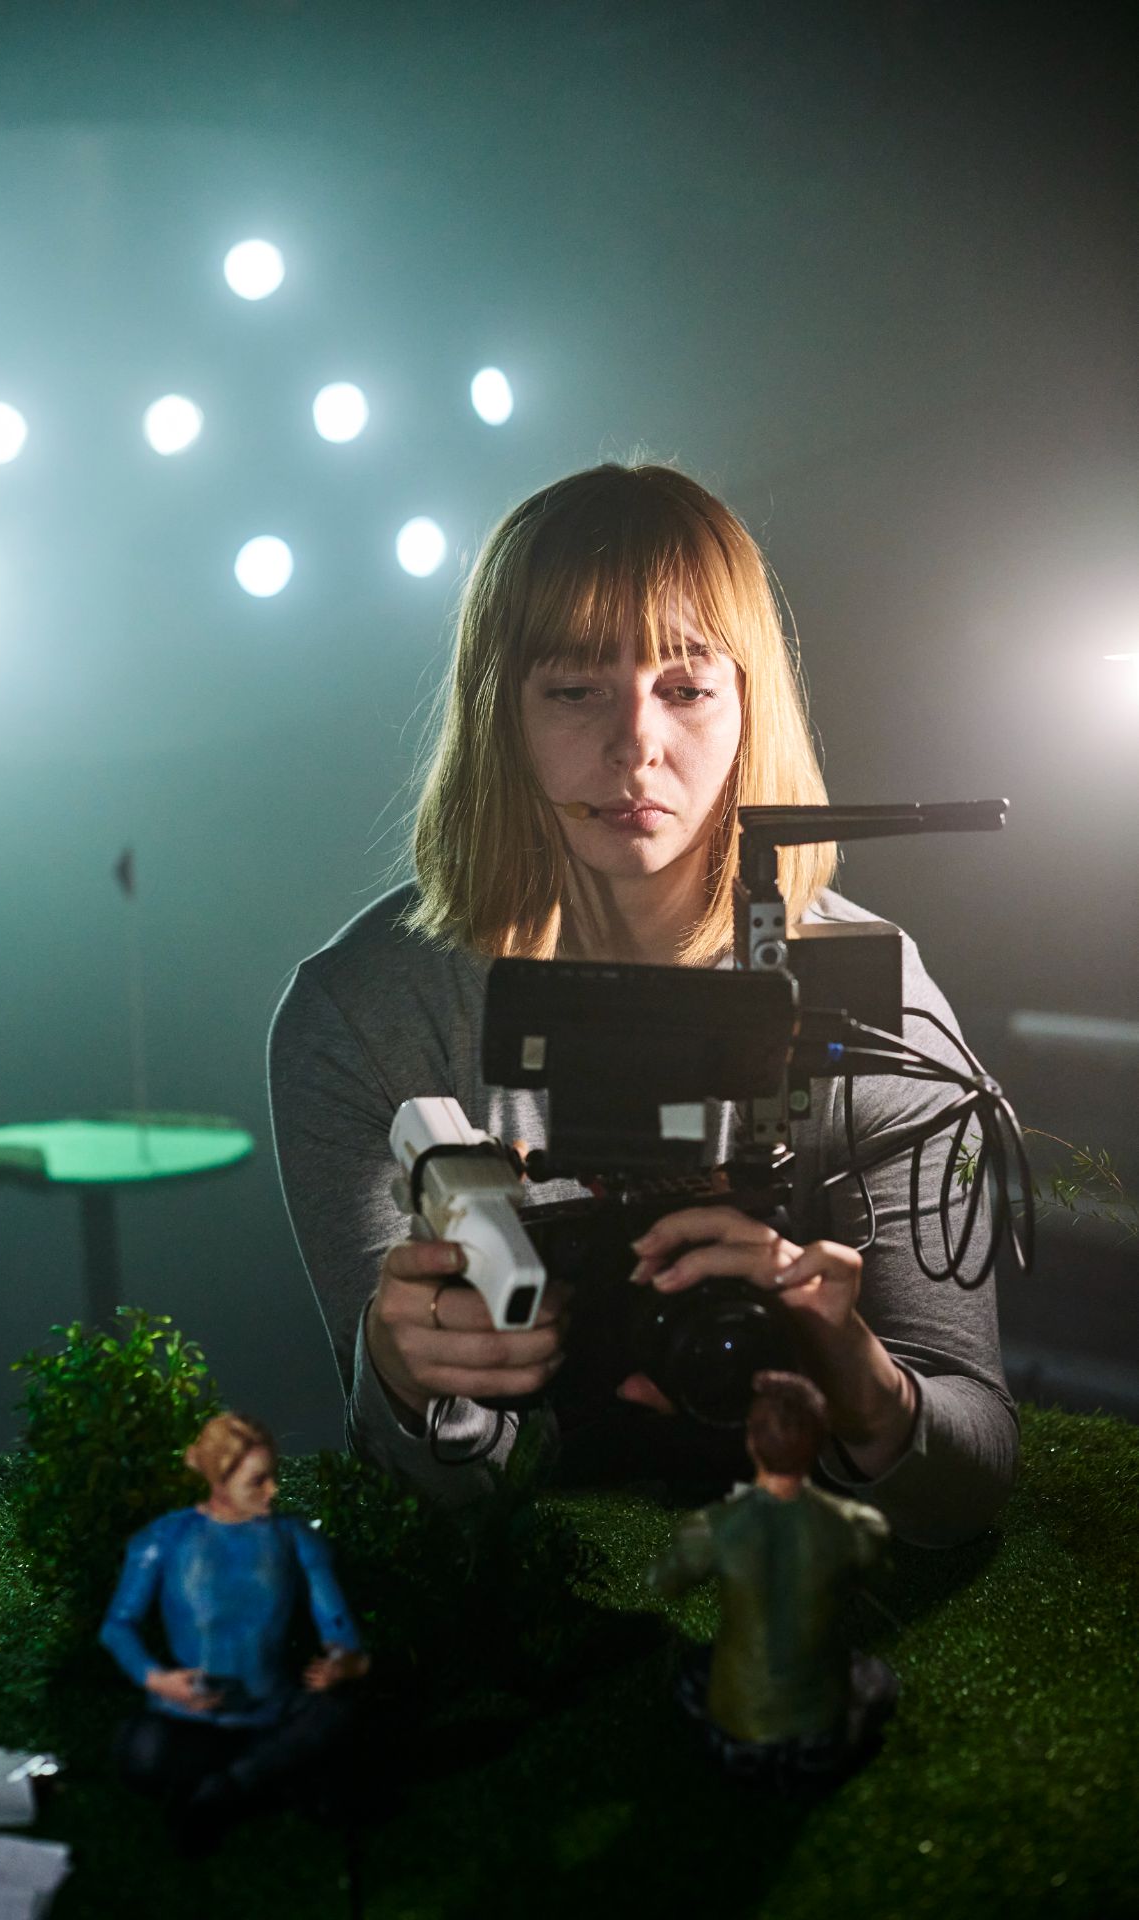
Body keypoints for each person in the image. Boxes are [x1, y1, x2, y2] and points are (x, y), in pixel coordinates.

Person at [268, 461, 1018, 1546]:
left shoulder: (872, 997)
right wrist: (404, 1378)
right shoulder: (366, 1018)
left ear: (749, 702)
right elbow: (420, 1505)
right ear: (498, 713)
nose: (635, 746)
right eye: (574, 690)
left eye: (686, 687)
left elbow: (968, 1467)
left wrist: (858, 1382)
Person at [100, 1412, 370, 1848]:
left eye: (273, 1476)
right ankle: (275, 1776)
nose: (273, 1490)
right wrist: (160, 1681)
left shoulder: (296, 1539)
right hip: (194, 1715)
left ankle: (226, 1789)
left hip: (274, 1709)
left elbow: (339, 1629)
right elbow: (118, 1625)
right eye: (257, 1481)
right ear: (220, 1482)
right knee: (141, 1752)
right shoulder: (164, 1539)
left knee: (339, 1714)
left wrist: (342, 1664)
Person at [648, 1371, 896, 1789]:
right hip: (822, 1739)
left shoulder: (712, 1527)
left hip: (735, 1740)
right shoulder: (857, 1526)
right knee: (873, 1677)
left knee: (694, 1669)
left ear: (751, 1441)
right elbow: (879, 1578)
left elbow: (663, 1581)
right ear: (820, 1440)